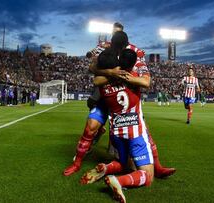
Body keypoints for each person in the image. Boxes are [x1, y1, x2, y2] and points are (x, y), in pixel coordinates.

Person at [63, 27, 175, 179]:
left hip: (124, 97)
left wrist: (121, 75)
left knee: (143, 130)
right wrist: (110, 72)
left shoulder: (135, 52)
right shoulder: (104, 47)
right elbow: (92, 68)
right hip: (105, 95)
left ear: (123, 45)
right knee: (91, 126)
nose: (113, 48)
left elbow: (144, 79)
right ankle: (76, 163)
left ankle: (157, 167)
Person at [82, 48, 153, 203]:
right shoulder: (134, 76)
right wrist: (128, 76)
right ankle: (118, 181)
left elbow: (95, 80)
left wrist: (111, 73)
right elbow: (146, 82)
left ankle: (106, 168)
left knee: (125, 163)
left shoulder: (105, 81)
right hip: (135, 132)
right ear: (133, 64)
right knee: (147, 175)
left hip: (116, 133)